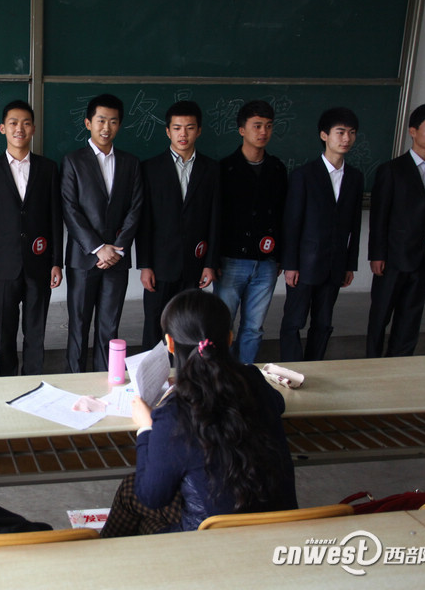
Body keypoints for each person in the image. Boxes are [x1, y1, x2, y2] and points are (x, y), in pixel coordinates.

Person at [100, 290, 297, 536]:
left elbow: (151, 498)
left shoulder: (173, 415)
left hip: (211, 543)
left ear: (170, 344)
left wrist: (146, 428)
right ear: (230, 338)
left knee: (135, 498)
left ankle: (105, 558)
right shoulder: (254, 381)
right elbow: (278, 404)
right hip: (281, 529)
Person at [0, 100, 62, 376]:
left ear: (34, 129)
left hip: (39, 264)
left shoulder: (48, 169)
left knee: (35, 331)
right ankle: (7, 380)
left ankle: (33, 379)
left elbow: (55, 219)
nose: (19, 128)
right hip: (3, 266)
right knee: (6, 332)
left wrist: (56, 262)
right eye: (13, 123)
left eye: (26, 123)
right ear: (3, 128)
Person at [61, 93, 143, 373]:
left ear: (119, 125)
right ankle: (75, 378)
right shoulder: (73, 161)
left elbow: (136, 208)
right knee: (79, 325)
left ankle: (105, 381)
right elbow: (70, 209)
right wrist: (98, 247)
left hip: (117, 260)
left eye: (113, 121)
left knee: (109, 326)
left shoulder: (131, 163)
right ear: (88, 123)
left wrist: (117, 248)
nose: (106, 127)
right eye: (100, 120)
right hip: (84, 258)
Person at [366, 103, 425, 358]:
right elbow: (379, 216)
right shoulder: (392, 169)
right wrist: (376, 255)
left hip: (424, 257)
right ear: (413, 131)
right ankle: (371, 363)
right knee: (381, 315)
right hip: (392, 258)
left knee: (411, 317)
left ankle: (400, 364)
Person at [280, 107, 363, 362]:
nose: (346, 138)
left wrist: (350, 264)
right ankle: (290, 368)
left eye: (351, 133)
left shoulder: (355, 178)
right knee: (294, 321)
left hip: (335, 264)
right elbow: (292, 224)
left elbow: (355, 225)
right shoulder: (304, 175)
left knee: (324, 322)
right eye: (340, 132)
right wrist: (290, 264)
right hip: (305, 265)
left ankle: (315, 367)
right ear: (324, 135)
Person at [137, 100, 220, 352]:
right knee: (154, 323)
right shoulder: (150, 168)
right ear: (167, 131)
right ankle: (150, 379)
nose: (183, 134)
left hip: (194, 262)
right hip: (160, 264)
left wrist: (210, 263)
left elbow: (216, 219)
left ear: (199, 131)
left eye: (189, 128)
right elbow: (144, 222)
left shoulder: (212, 169)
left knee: (188, 324)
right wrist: (145, 265)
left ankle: (185, 375)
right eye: (177, 128)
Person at [214, 100, 287, 364]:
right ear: (242, 129)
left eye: (268, 126)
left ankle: (245, 377)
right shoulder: (224, 169)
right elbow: (215, 219)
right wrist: (213, 261)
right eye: (257, 126)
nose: (263, 132)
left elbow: (283, 215)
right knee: (222, 326)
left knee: (254, 328)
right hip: (231, 260)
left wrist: (281, 256)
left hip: (266, 262)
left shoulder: (277, 169)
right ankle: (220, 377)